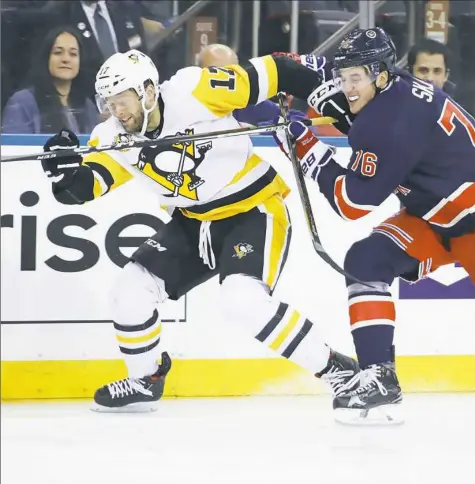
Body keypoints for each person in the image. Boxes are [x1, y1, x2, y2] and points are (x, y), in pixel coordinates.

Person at [40, 49, 360, 413]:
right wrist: (63, 171)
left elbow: (279, 70)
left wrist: (346, 104)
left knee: (244, 302)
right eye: (109, 103)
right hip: (193, 223)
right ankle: (146, 379)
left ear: (146, 91)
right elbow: (83, 188)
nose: (117, 111)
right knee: (130, 290)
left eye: (122, 101)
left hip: (252, 211)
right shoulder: (112, 135)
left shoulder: (195, 90)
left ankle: (340, 371)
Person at [281, 27, 475, 424]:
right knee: (367, 259)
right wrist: (261, 79)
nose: (348, 86)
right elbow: (303, 70)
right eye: (344, 75)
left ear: (382, 75)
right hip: (435, 217)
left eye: (357, 78)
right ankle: (378, 378)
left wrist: (305, 145)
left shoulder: (390, 122)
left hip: (469, 220)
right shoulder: (390, 89)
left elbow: (351, 203)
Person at [2, 26, 99, 134]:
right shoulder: (22, 103)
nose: (66, 59)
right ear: (46, 57)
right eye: (58, 52)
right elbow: (15, 148)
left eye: (73, 54)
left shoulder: (87, 106)